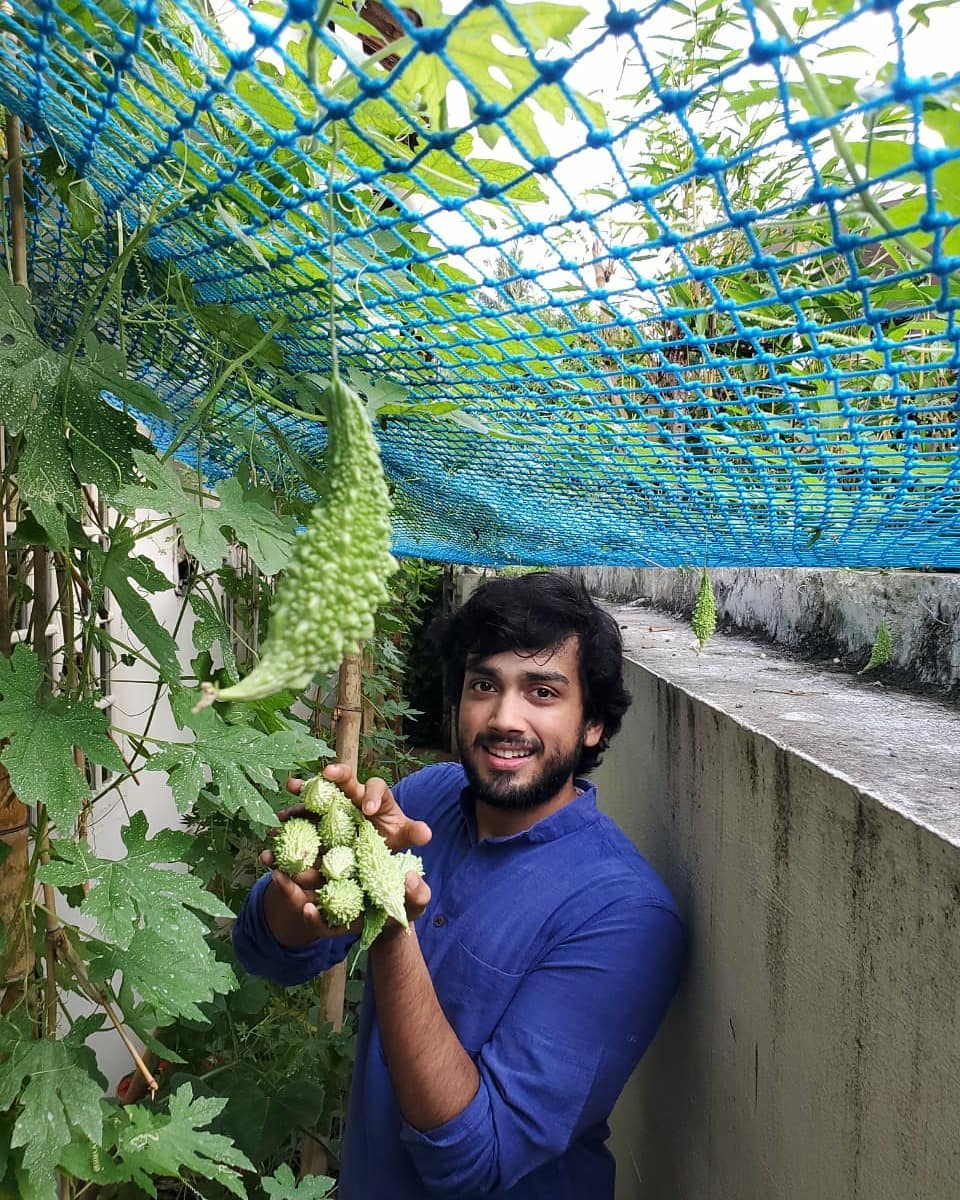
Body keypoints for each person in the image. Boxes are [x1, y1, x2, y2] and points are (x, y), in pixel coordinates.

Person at [233, 571, 684, 1199]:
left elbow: (474, 1162)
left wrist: (392, 926)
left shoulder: (623, 914)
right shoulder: (429, 800)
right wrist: (300, 884)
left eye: (543, 692)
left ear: (593, 725)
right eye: (483, 685)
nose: (505, 718)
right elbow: (266, 954)